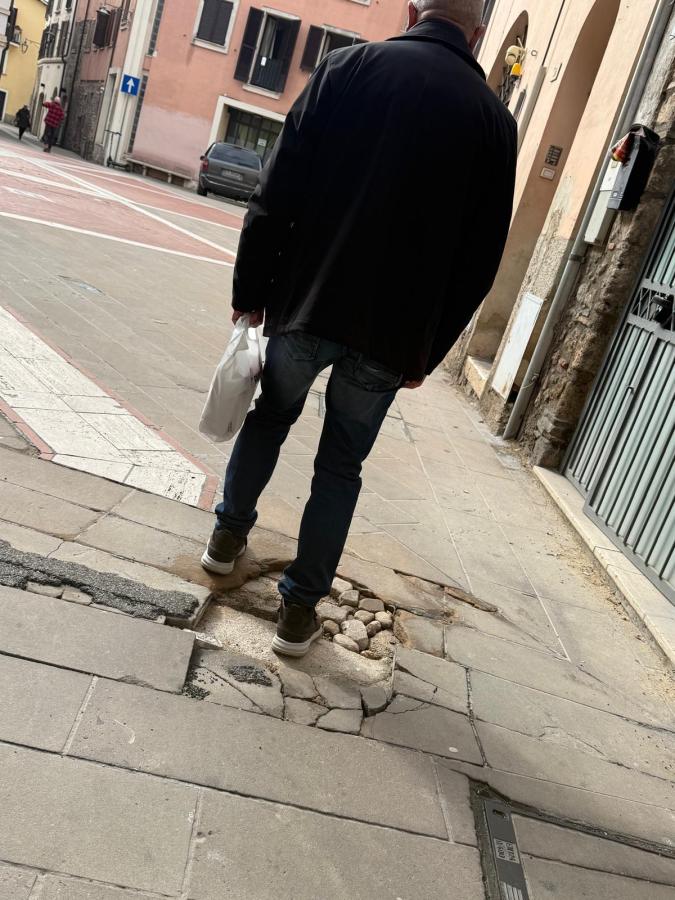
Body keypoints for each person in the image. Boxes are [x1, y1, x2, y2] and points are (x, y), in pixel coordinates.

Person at [201, 0, 517, 657]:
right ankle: (296, 615)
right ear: (477, 32)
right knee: (340, 467)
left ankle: (226, 540)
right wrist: (426, 350)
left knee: (270, 417)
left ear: (410, 11)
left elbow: (276, 189)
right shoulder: (492, 121)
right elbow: (478, 259)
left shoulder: (345, 68)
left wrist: (251, 293)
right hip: (391, 334)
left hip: (307, 304)